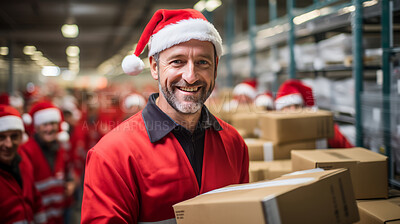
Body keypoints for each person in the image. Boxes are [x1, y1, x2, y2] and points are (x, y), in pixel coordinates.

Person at [81, 8, 249, 224]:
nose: (190, 77)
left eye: (202, 63)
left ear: (215, 69)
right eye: (177, 62)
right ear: (154, 67)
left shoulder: (234, 144)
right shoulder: (113, 155)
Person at [20, 101, 78, 224]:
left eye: (53, 124)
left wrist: (71, 183)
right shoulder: (26, 151)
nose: (49, 128)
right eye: (44, 124)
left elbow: (69, 175)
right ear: (36, 127)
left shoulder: (62, 148)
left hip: (59, 215)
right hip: (38, 218)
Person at [0, 105, 47, 224]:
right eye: (1, 137)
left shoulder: (24, 160)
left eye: (14, 136)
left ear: (22, 137)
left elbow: (35, 197)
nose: (9, 144)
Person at [275, 79, 353, 148]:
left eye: (297, 106)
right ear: (280, 110)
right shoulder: (275, 129)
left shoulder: (321, 126)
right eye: (288, 107)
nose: (293, 110)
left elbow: (346, 146)